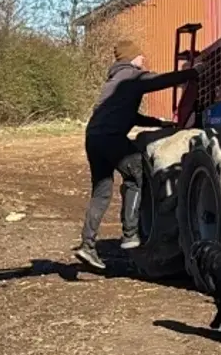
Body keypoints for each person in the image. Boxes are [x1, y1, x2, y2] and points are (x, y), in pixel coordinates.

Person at [74, 39, 198, 272]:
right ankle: (130, 234)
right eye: (141, 56)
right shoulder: (131, 76)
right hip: (111, 138)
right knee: (136, 174)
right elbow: (160, 81)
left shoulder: (114, 82)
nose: (144, 60)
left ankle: (87, 245)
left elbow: (129, 117)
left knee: (101, 192)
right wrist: (194, 72)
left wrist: (160, 123)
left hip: (94, 138)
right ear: (131, 57)